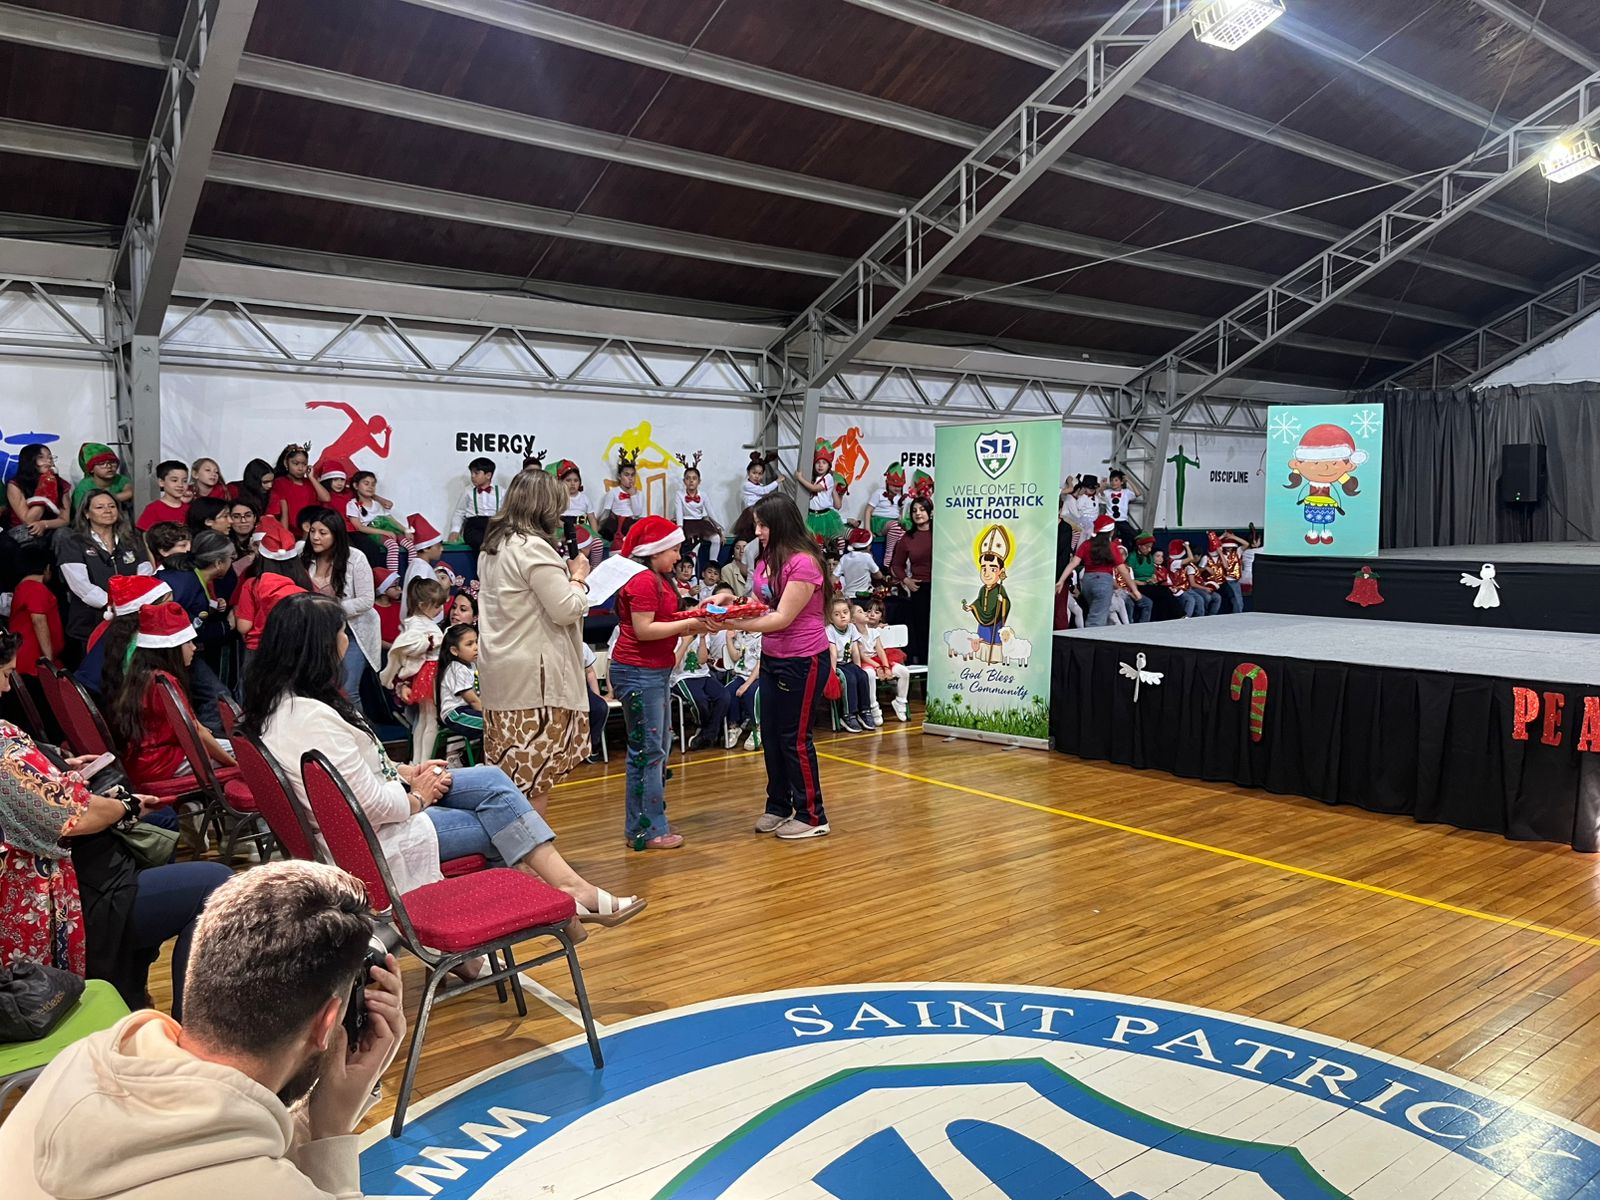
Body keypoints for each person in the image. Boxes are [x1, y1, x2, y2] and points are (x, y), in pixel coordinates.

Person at [0, 860, 406, 1199]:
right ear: (328, 1022)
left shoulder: (81, 1059)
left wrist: (317, 1120)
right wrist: (333, 1129)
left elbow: (228, 1148)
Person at [246, 593, 644, 923]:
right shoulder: (313, 719)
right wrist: (419, 796)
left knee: (491, 779)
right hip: (373, 840)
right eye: (342, 633)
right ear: (319, 648)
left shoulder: (285, 705)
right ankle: (549, 908)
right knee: (498, 823)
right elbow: (367, 805)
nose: (347, 642)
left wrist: (405, 771)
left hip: (368, 819)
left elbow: (352, 771)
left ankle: (568, 895)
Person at [0, 630, 232, 1018]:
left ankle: (135, 992)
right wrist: (125, 806)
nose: (8, 687)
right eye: (6, 674)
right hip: (63, 894)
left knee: (162, 837)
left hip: (74, 871)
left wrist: (59, 764)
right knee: (218, 884)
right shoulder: (3, 746)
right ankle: (188, 1027)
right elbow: (74, 817)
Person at [474, 468, 603, 820]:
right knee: (533, 780)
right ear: (545, 508)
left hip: (502, 673)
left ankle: (514, 848)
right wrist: (578, 577)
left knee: (508, 776)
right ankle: (531, 851)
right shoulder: (532, 549)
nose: (561, 516)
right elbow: (566, 609)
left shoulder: (493, 547)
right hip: (533, 680)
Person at [710, 492, 832, 840]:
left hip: (804, 660)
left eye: (762, 525)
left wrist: (731, 623)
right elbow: (758, 602)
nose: (757, 532)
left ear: (780, 524)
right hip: (774, 658)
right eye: (756, 525)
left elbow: (781, 617)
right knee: (772, 734)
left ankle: (812, 815)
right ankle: (778, 805)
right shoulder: (767, 560)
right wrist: (730, 602)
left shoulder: (804, 563)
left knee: (795, 738)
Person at [610, 516, 707, 849]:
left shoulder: (658, 578)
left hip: (652, 670)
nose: (679, 556)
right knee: (648, 751)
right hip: (639, 671)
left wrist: (699, 613)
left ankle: (648, 821)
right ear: (654, 551)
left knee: (656, 748)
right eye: (674, 550)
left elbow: (666, 620)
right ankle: (647, 829)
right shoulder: (642, 581)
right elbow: (644, 630)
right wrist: (690, 624)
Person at [106, 602, 235, 792]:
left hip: (143, 760)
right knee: (248, 754)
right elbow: (197, 732)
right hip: (163, 762)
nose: (194, 648)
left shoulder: (140, 674)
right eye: (188, 643)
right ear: (171, 648)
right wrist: (234, 765)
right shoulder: (164, 681)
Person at [300, 505, 380, 698]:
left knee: (347, 691)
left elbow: (366, 600)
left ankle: (357, 720)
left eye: (323, 533)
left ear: (336, 534)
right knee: (319, 688)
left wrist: (329, 608)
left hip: (352, 631)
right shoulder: (303, 555)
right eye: (312, 531)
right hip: (318, 633)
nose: (315, 537)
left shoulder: (356, 558)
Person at [381, 577, 447, 762]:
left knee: (424, 719)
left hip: (427, 672)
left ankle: (417, 761)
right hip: (430, 673)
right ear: (423, 605)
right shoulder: (418, 624)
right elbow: (410, 645)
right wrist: (433, 642)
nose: (440, 609)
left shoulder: (418, 622)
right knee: (430, 720)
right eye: (436, 606)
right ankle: (423, 762)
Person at [233, 517, 312, 669]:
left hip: (259, 648)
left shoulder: (252, 584)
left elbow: (244, 626)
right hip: (295, 648)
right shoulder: (304, 580)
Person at [6, 543, 60, 709]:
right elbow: (38, 620)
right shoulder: (36, 588)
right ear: (47, 568)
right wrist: (48, 660)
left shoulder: (22, 588)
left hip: (23, 661)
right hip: (33, 665)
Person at [1056, 515, 1132, 628]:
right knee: (1096, 619)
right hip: (1103, 582)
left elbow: (1073, 563)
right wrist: (1134, 589)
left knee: (1098, 612)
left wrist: (1061, 580)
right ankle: (1091, 637)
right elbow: (1123, 570)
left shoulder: (1086, 545)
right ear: (1111, 532)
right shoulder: (1111, 547)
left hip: (1087, 582)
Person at [888, 494, 934, 664]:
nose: (918, 513)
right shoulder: (907, 538)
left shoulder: (940, 533)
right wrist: (906, 580)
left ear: (930, 512)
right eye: (914, 510)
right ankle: (924, 667)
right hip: (919, 588)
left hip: (941, 588)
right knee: (922, 630)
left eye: (922, 509)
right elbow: (896, 565)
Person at [673, 630, 729, 752]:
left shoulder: (701, 633)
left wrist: (702, 639)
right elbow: (673, 665)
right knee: (700, 700)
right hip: (680, 677)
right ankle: (707, 731)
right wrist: (685, 643)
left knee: (724, 696)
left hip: (703, 674)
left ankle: (706, 734)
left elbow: (702, 660)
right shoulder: (674, 633)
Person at [826, 595, 874, 732]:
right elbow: (833, 653)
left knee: (863, 676)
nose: (842, 616)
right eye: (837, 614)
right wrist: (832, 672)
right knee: (850, 680)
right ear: (831, 618)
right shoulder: (829, 630)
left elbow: (855, 650)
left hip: (849, 663)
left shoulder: (852, 628)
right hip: (838, 665)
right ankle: (848, 714)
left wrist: (858, 668)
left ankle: (865, 711)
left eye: (845, 612)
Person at [859, 596, 910, 722]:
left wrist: (885, 666)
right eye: (868, 611)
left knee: (904, 672)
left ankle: (900, 702)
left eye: (876, 612)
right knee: (870, 674)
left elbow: (881, 650)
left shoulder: (878, 630)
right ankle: (873, 707)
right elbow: (861, 654)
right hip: (865, 660)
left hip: (880, 658)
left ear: (881, 616)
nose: (871, 614)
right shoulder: (856, 629)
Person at [6, 442, 69, 542]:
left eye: (50, 457)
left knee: (64, 534)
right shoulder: (15, 485)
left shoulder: (61, 484)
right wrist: (45, 489)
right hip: (23, 530)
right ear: (29, 461)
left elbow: (65, 519)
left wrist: (44, 524)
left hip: (52, 527)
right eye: (41, 457)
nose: (48, 461)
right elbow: (29, 520)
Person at [730, 452, 784, 569]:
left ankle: (762, 560)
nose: (757, 476)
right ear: (748, 472)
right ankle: (747, 563)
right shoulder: (747, 485)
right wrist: (777, 481)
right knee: (751, 537)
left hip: (760, 512)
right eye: (754, 473)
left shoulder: (760, 485)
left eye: (760, 473)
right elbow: (764, 491)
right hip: (750, 514)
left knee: (761, 537)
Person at [673, 453, 722, 567]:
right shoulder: (679, 494)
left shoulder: (703, 495)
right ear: (684, 481)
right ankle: (692, 571)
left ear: (699, 481)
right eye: (688, 478)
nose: (691, 481)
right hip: (686, 524)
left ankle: (712, 564)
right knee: (693, 545)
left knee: (716, 539)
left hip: (700, 524)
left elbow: (711, 512)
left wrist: (719, 529)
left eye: (694, 478)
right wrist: (680, 529)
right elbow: (679, 512)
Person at [268, 442, 329, 530]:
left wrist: (312, 478)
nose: (300, 468)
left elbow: (326, 498)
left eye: (304, 464)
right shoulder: (280, 482)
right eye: (296, 464)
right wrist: (285, 535)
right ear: (286, 463)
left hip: (311, 530)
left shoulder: (310, 483)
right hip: (291, 531)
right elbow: (284, 513)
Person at [797, 438, 845, 541]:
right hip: (812, 515)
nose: (820, 465)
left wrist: (800, 478)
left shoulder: (828, 478)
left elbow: (815, 488)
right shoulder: (813, 477)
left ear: (828, 466)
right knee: (814, 541)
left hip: (825, 516)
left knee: (828, 540)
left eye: (824, 462)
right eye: (818, 462)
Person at [721, 627, 761, 749]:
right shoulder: (741, 635)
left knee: (751, 693)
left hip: (759, 677)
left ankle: (758, 729)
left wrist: (746, 685)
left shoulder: (761, 637)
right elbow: (735, 657)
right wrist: (728, 639)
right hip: (742, 675)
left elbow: (760, 665)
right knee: (727, 693)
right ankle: (734, 727)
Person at [450, 456, 501, 549]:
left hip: (495, 524)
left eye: (476, 473)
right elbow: (459, 512)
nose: (472, 476)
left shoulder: (501, 491)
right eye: (471, 473)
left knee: (500, 542)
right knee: (478, 541)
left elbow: (507, 511)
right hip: (474, 525)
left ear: (488, 475)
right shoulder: (468, 491)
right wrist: (455, 530)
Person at [598, 448, 643, 545]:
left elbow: (637, 513)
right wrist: (599, 525)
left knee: (641, 524)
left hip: (630, 521)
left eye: (632, 475)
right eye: (626, 475)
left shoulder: (638, 493)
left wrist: (633, 496)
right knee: (609, 524)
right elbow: (606, 511)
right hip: (616, 521)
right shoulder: (613, 492)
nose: (630, 478)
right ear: (619, 476)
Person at [69, 442, 132, 510]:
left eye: (112, 462)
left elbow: (130, 492)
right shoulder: (83, 487)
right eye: (102, 463)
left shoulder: (121, 480)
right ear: (91, 469)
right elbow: (80, 510)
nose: (109, 466)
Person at [136, 459, 190, 532]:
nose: (180, 485)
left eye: (184, 481)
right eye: (174, 480)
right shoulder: (153, 509)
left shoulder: (189, 509)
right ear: (161, 482)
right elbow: (145, 535)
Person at [861, 461, 906, 546]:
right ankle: (889, 554)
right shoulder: (879, 493)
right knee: (895, 525)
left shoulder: (900, 497)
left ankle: (897, 552)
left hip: (894, 522)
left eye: (899, 486)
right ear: (887, 483)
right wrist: (867, 529)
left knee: (903, 530)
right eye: (894, 485)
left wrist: (903, 524)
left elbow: (900, 513)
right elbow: (868, 510)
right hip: (880, 523)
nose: (897, 488)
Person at [1160, 539, 1208, 618]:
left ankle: (1199, 618)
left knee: (1199, 599)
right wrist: (1187, 546)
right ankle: (1185, 619)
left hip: (1185, 587)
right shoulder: (1173, 563)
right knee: (1190, 600)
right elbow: (1191, 558)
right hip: (1178, 588)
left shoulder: (1178, 561)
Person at [403, 512, 446, 597]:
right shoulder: (421, 568)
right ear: (426, 548)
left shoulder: (418, 565)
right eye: (438, 546)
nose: (442, 549)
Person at [581, 643, 609, 763]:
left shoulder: (582, 646)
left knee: (600, 707)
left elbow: (590, 672)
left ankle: (592, 745)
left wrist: (597, 695)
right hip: (558, 690)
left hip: (580, 689)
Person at [1101, 468, 1140, 548]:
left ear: (1121, 482)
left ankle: (1127, 552)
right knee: (1109, 539)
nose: (1113, 482)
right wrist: (1102, 485)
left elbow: (1138, 493)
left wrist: (1128, 480)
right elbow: (1100, 493)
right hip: (1111, 520)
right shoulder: (1108, 492)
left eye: (1116, 480)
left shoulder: (1126, 492)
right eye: (1111, 480)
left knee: (1134, 536)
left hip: (1122, 521)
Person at [837, 526, 880, 600]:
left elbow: (834, 577)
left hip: (848, 596)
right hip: (864, 596)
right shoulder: (867, 557)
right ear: (868, 546)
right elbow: (879, 576)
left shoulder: (845, 557)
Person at [1127, 532, 1158, 623]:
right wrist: (1143, 583)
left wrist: (1153, 578)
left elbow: (1153, 572)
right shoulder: (1132, 557)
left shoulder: (1150, 557)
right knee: (1154, 597)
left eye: (1150, 547)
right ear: (1139, 546)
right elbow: (1129, 577)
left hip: (1149, 584)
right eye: (1147, 547)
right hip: (1138, 585)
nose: (1149, 549)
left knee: (1165, 592)